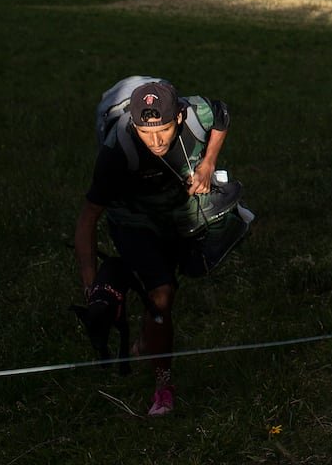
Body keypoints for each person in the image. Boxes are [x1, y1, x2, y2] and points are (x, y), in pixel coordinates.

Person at [74, 79, 232, 417]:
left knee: (166, 289)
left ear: (177, 117)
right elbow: (87, 219)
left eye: (162, 130)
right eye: (146, 133)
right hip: (131, 219)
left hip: (174, 212)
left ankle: (146, 342)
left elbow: (222, 115)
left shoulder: (197, 112)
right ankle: (163, 387)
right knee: (162, 293)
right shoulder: (117, 151)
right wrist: (90, 285)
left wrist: (207, 163)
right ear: (134, 124)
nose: (156, 142)